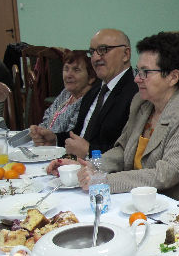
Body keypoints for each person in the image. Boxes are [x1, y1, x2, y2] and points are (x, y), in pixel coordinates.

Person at [46, 32, 179, 201]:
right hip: (130, 196)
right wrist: (87, 167)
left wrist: (104, 181)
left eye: (145, 72)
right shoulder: (141, 102)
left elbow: (164, 175)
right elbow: (122, 150)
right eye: (138, 71)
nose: (137, 78)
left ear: (173, 77)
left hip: (166, 203)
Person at [30, 28, 137, 158]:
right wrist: (55, 139)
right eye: (92, 52)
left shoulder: (136, 94)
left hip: (103, 169)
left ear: (126, 54)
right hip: (75, 164)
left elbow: (130, 151)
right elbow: (80, 134)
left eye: (103, 50)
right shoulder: (95, 91)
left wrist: (89, 151)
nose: (95, 57)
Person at [35, 50, 97, 133]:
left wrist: (47, 135)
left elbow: (71, 133)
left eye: (76, 70)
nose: (69, 75)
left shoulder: (89, 102)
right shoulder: (66, 93)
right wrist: (38, 131)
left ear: (91, 77)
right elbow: (47, 116)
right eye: (66, 69)